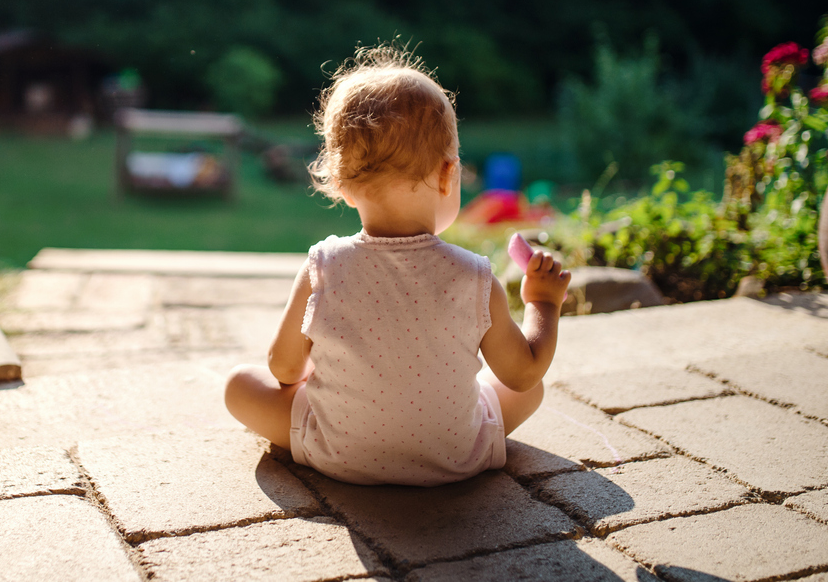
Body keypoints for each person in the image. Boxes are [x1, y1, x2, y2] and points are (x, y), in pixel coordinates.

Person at [224, 46, 571, 486]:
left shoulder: (323, 267)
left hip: (339, 452)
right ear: (449, 175)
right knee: (531, 391)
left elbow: (284, 370)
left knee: (240, 384)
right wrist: (543, 303)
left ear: (344, 186)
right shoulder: (476, 277)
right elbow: (524, 375)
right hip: (457, 455)